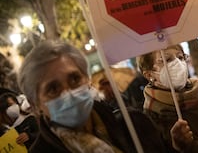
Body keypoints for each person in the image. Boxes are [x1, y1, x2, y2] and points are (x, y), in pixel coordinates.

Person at [17, 40, 168, 153]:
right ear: (36, 105)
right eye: (53, 89)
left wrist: (181, 147)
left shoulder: (134, 124)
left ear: (87, 80)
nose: (68, 93)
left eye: (75, 79)